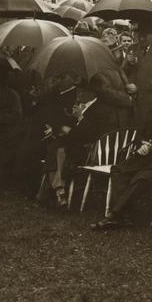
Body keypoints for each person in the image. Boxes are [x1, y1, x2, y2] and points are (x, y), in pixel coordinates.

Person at [90, 75, 152, 230]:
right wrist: (141, 144)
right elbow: (139, 135)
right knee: (119, 170)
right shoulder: (151, 112)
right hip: (144, 157)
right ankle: (126, 216)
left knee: (141, 179)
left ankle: (115, 215)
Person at [41, 76, 125, 207]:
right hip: (81, 145)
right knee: (56, 146)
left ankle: (56, 191)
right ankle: (58, 191)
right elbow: (76, 129)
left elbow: (92, 134)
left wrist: (79, 117)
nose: (78, 94)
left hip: (95, 151)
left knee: (57, 148)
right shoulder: (87, 106)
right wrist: (61, 128)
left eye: (81, 91)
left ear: (92, 93)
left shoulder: (100, 109)